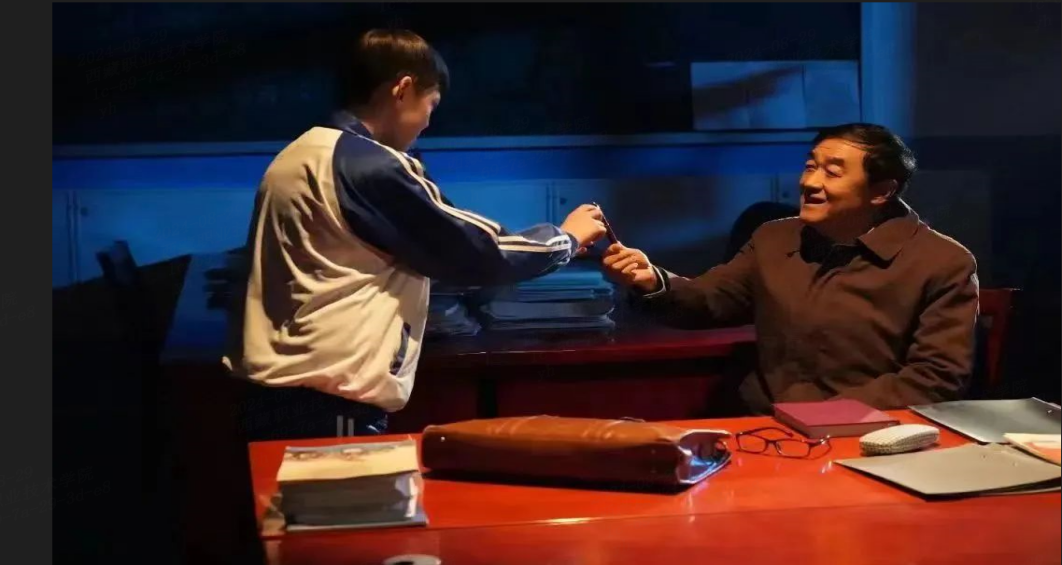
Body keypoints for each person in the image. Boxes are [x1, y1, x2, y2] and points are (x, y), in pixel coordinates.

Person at [223, 29, 606, 435]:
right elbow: (475, 249)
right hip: (330, 396)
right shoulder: (367, 164)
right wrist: (566, 239)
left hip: (281, 390)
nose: (427, 122)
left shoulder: (303, 151)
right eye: (430, 104)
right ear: (403, 89)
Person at [603, 123, 980, 413]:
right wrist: (651, 280)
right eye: (810, 166)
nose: (810, 182)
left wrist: (822, 417)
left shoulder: (942, 262)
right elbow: (713, 299)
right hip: (766, 425)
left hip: (872, 435)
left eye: (832, 172)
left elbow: (935, 377)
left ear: (882, 191)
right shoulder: (775, 238)